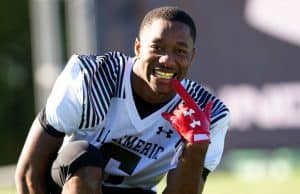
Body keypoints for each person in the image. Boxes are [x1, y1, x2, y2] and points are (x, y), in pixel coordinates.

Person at [15, 6, 230, 194]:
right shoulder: (90, 77)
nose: (167, 60)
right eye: (157, 48)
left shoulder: (208, 112)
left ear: (192, 57)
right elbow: (29, 172)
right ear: (138, 48)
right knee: (84, 159)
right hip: (68, 185)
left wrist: (196, 147)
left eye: (180, 51)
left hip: (135, 191)